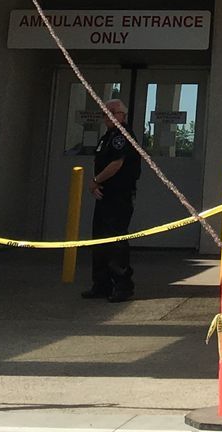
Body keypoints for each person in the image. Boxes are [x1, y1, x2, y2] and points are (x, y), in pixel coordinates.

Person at [82, 97, 141, 303]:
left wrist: (95, 181)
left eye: (111, 113)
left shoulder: (122, 136)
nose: (107, 117)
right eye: (104, 114)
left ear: (122, 116)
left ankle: (122, 286)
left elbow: (117, 163)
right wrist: (97, 184)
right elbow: (100, 161)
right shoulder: (107, 137)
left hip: (119, 195)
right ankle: (101, 284)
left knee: (115, 240)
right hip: (105, 194)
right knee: (99, 239)